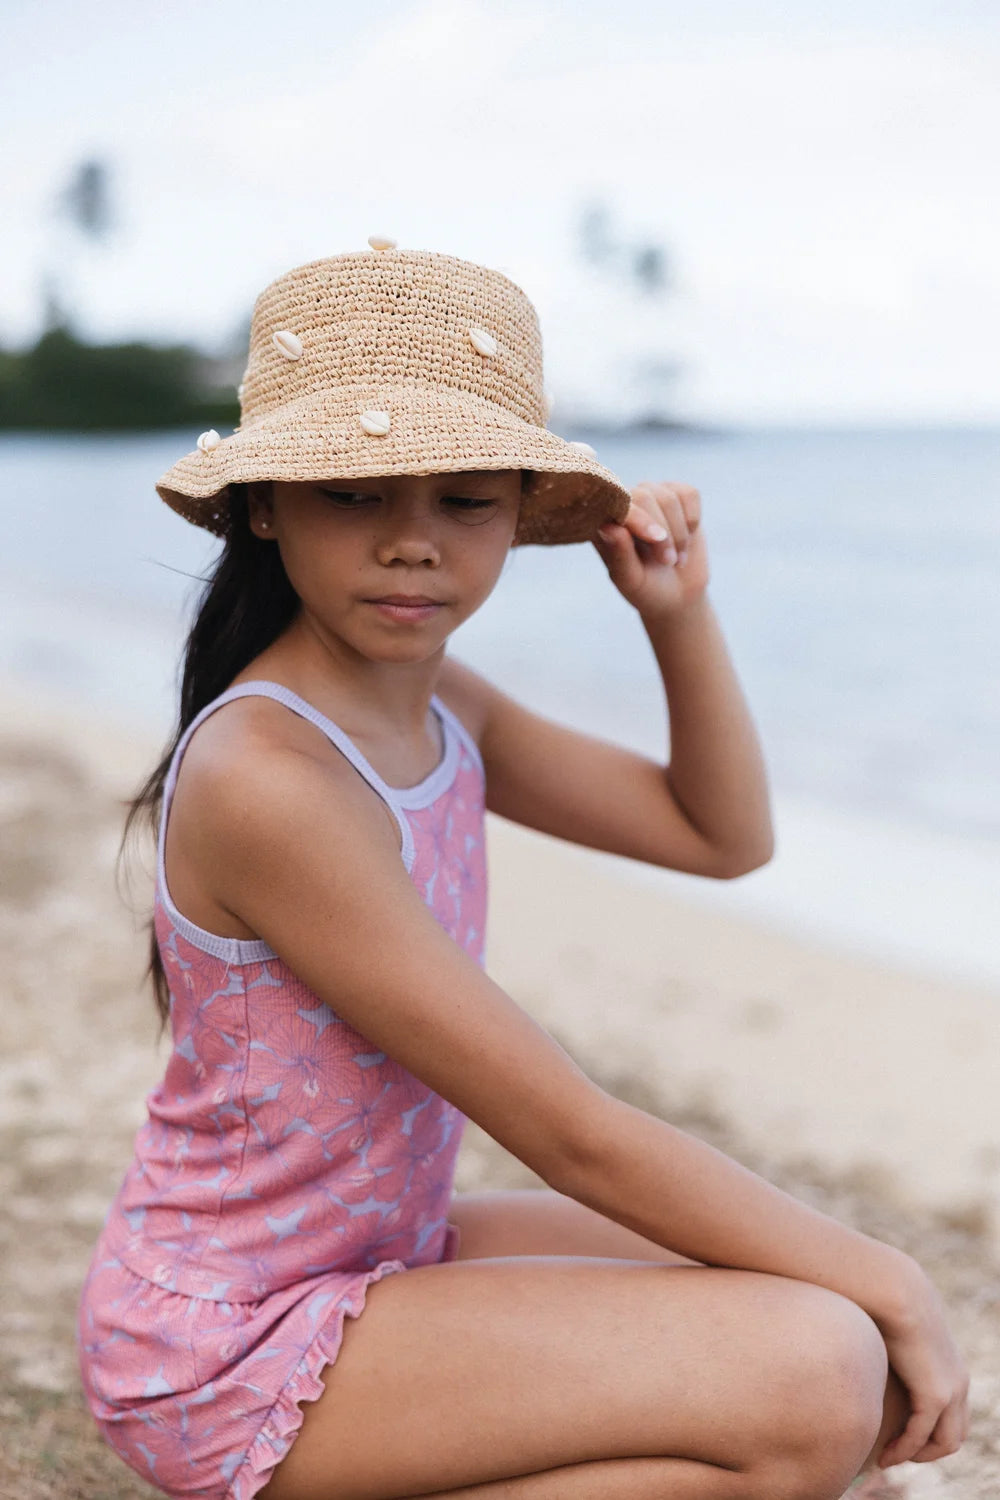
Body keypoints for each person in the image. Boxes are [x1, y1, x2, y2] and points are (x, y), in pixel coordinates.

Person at [76, 239, 967, 1500]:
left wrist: (675, 614)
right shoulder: (271, 779)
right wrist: (895, 1272)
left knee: (825, 1321)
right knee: (824, 1360)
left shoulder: (445, 710)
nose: (411, 546)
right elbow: (566, 1132)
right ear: (263, 505)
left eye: (464, 500)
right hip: (233, 1342)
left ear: (512, 514)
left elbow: (718, 837)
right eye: (354, 495)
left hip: (387, 1250)